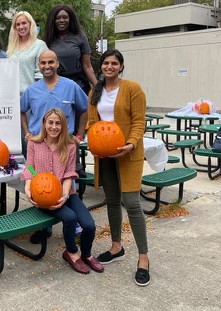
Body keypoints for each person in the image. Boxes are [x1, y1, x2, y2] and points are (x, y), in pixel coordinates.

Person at [87, 49, 150, 287]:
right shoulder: (96, 90)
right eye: (106, 63)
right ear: (101, 67)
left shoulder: (132, 88)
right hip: (104, 154)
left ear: (121, 66)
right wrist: (92, 142)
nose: (109, 67)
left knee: (132, 203)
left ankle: (143, 258)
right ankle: (116, 246)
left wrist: (131, 143)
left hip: (127, 153)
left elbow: (138, 121)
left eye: (114, 63)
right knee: (112, 200)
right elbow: (92, 123)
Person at [21, 108, 103, 275]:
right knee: (70, 218)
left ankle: (86, 254)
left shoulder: (69, 146)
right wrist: (28, 189)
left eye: (58, 123)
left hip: (65, 192)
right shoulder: (33, 144)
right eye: (50, 122)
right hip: (42, 195)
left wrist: (65, 196)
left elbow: (68, 174)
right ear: (44, 124)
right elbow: (30, 167)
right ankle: (71, 253)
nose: (54, 126)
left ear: (63, 126)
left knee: (89, 225)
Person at [20, 49, 88, 243]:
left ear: (57, 64)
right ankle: (44, 226)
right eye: (43, 63)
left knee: (67, 182)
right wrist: (27, 132)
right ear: (38, 66)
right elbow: (21, 110)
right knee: (38, 183)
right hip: (38, 147)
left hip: (63, 147)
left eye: (51, 62)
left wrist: (78, 135)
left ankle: (74, 224)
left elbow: (84, 109)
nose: (47, 66)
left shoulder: (71, 86)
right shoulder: (32, 90)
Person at [43, 4, 97, 98]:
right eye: (58, 18)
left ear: (70, 19)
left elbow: (87, 66)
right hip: (55, 85)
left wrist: (97, 87)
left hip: (78, 84)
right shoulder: (48, 40)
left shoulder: (80, 37)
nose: (61, 20)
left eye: (65, 17)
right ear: (53, 20)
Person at [7, 11, 48, 95]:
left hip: (31, 96)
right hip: (12, 97)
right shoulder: (12, 47)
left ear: (30, 24)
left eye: (24, 23)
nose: (21, 27)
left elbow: (41, 74)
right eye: (18, 24)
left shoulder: (39, 45)